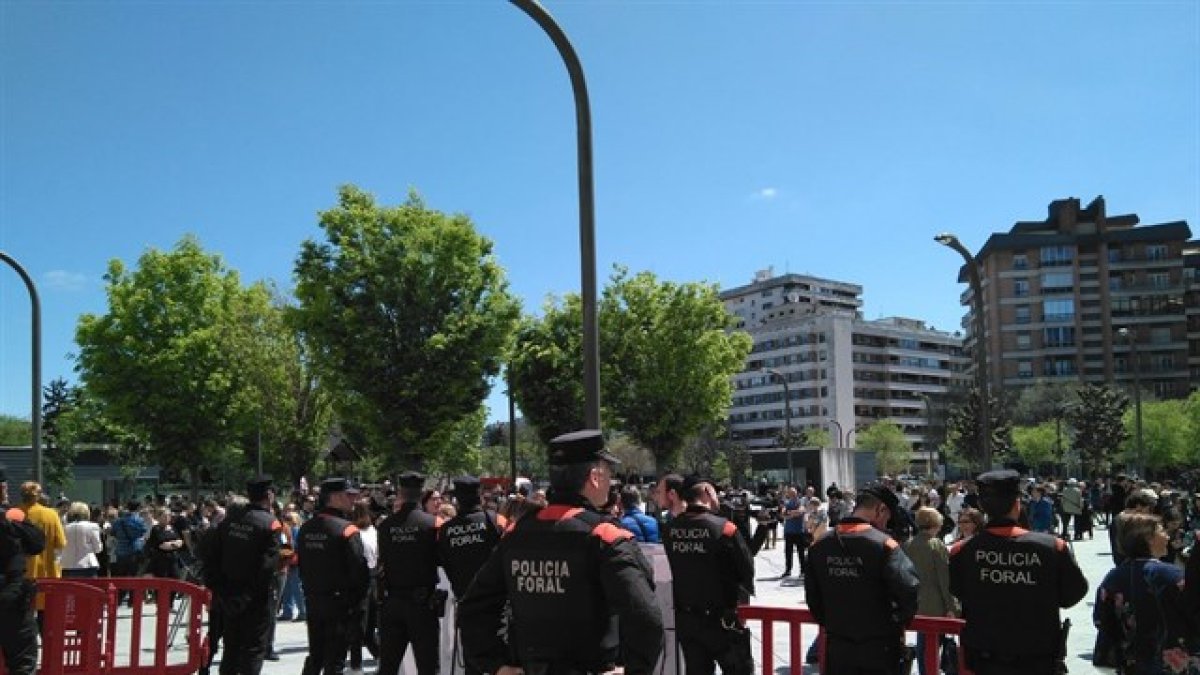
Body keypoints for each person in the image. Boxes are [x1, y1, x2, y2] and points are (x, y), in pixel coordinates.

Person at [459, 429, 664, 675]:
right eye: (609, 473)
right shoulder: (605, 537)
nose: (612, 482)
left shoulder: (516, 535)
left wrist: (496, 665)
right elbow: (645, 615)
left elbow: (473, 607)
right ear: (595, 476)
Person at [949, 470, 1089, 675]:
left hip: (985, 658)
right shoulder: (1053, 547)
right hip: (1038, 657)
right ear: (1017, 505)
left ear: (981, 507)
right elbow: (1073, 593)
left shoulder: (962, 550)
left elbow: (959, 590)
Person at [805, 484, 920, 674]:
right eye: (886, 519)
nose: (885, 525)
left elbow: (813, 597)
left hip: (838, 645)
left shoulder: (819, 545)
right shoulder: (885, 545)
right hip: (879, 647)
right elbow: (909, 589)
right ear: (880, 509)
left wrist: (834, 623)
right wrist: (895, 623)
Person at [663, 474, 755, 675]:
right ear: (706, 492)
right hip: (722, 621)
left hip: (687, 620)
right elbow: (747, 569)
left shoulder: (669, 530)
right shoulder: (724, 528)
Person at [203, 476, 283, 675]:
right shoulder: (270, 524)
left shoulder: (230, 520)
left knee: (231, 648)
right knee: (254, 649)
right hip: (254, 599)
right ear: (269, 495)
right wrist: (248, 595)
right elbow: (267, 566)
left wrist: (221, 590)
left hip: (228, 595)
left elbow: (212, 557)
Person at [298, 478, 370, 675]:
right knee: (335, 661)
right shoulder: (346, 529)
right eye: (349, 495)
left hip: (314, 601)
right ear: (336, 498)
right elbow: (359, 571)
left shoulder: (306, 528)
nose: (353, 500)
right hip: (340, 605)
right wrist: (357, 604)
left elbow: (302, 566)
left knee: (316, 656)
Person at [437, 476, 508, 675]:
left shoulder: (445, 531)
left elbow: (446, 567)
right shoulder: (497, 521)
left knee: (472, 663)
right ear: (480, 496)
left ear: (457, 500)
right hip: (499, 607)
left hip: (467, 606)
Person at [1094, 512, 1181, 674]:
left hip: (1130, 663)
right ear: (1148, 538)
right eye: (1161, 531)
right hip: (1167, 663)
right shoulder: (1171, 575)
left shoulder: (1113, 577)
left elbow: (1101, 619)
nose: (1167, 536)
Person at [377, 471, 444, 675]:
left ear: (400, 493)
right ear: (422, 492)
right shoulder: (433, 524)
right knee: (428, 665)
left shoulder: (385, 526)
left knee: (388, 665)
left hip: (393, 601)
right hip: (423, 604)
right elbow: (441, 559)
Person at [0, 466, 46, 675]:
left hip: (11, 593)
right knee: (22, 663)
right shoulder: (10, 517)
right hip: (10, 595)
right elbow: (36, 542)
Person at [904, 507, 958, 675]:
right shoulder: (936, 545)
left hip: (916, 600)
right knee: (935, 644)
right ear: (935, 524)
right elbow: (944, 579)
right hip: (936, 602)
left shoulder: (908, 544)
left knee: (923, 642)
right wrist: (952, 606)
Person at [61, 501, 103, 578]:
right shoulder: (93, 526)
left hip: (67, 565)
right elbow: (98, 549)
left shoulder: (64, 528)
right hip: (87, 565)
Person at [780, 486, 805, 578]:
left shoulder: (800, 501)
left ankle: (803, 570)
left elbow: (800, 511)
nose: (791, 495)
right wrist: (792, 514)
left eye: (793, 493)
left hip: (798, 531)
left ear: (796, 493)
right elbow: (783, 514)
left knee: (801, 552)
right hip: (789, 531)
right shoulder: (787, 502)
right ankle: (788, 570)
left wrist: (789, 513)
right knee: (788, 552)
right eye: (790, 493)